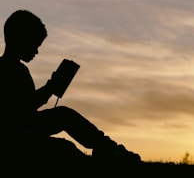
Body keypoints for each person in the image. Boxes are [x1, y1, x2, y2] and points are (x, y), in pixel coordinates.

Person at [0, 9, 141, 165]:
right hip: (13, 136)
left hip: (24, 128)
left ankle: (108, 149)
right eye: (34, 44)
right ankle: (109, 154)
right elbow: (19, 111)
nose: (36, 51)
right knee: (65, 147)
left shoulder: (20, 70)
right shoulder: (5, 70)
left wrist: (50, 88)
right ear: (20, 39)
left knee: (64, 115)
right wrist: (49, 88)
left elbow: (27, 107)